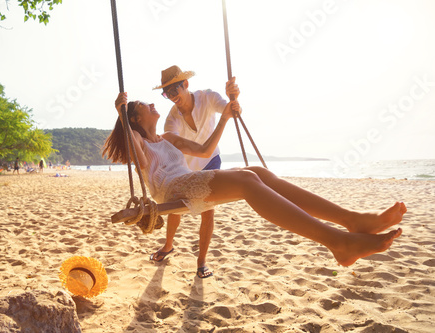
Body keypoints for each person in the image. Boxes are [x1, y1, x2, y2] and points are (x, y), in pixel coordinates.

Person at [103, 92, 406, 276]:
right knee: (248, 180)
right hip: (174, 189)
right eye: (144, 105)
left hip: (188, 183)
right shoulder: (140, 142)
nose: (153, 104)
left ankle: (352, 220)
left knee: (257, 171)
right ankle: (338, 242)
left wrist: (226, 116)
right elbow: (142, 163)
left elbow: (205, 151)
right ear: (136, 117)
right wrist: (120, 112)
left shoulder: (167, 138)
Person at [149, 65, 240, 278]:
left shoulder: (207, 97)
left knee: (208, 210)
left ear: (186, 84)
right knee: (174, 208)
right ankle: (168, 245)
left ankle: (201, 262)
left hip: (210, 161)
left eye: (174, 91)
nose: (172, 97)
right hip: (187, 166)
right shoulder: (171, 119)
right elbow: (175, 145)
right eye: (166, 93)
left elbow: (231, 110)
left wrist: (233, 98)